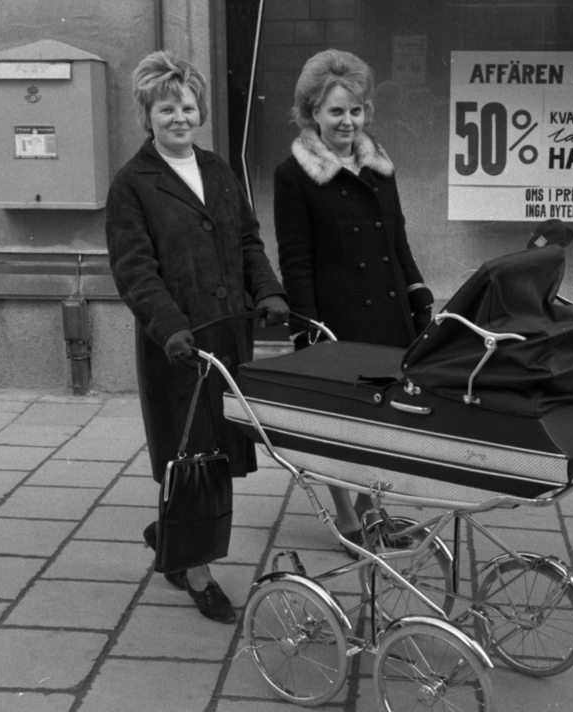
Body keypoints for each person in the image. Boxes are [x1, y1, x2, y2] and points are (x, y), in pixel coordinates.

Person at [106, 51, 288, 623]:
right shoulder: (132, 184)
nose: (178, 117)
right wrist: (171, 328)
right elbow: (135, 270)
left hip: (227, 337)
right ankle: (198, 573)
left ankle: (172, 538)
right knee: (194, 459)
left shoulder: (218, 171)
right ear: (147, 115)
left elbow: (247, 241)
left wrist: (268, 291)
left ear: (200, 111)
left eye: (187, 106)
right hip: (179, 349)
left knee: (215, 454)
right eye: (166, 109)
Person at [273, 49, 433, 555]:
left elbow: (398, 241)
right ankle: (346, 513)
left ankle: (371, 506)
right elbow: (295, 259)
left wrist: (419, 296)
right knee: (339, 422)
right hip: (337, 321)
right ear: (312, 113)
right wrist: (307, 329)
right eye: (336, 111)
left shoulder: (380, 167)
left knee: (383, 421)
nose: (348, 121)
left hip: (388, 315)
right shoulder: (293, 175)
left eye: (356, 110)